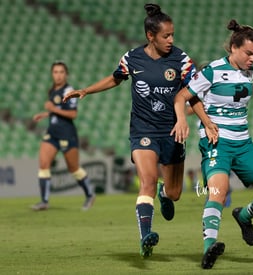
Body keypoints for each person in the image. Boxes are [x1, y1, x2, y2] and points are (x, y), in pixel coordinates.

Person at [62, 4, 196, 258]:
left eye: (172, 35)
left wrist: (193, 119)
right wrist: (86, 90)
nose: (171, 40)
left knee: (175, 193)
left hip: (172, 132)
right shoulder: (132, 58)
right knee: (146, 181)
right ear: (150, 36)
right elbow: (116, 77)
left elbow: (194, 93)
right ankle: (146, 235)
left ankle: (164, 193)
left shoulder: (181, 59)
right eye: (166, 36)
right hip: (143, 130)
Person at [172, 19, 253, 269]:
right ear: (233, 47)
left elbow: (216, 103)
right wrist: (189, 120)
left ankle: (244, 216)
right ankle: (208, 247)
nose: (252, 59)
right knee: (218, 192)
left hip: (244, 143)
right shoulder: (212, 70)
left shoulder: (249, 73)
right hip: (217, 143)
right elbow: (183, 97)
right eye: (248, 53)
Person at [31, 61, 95, 211]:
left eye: (61, 72)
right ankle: (44, 201)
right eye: (55, 72)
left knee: (73, 168)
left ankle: (90, 195)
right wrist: (46, 113)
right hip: (52, 132)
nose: (58, 75)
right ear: (52, 74)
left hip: (67, 134)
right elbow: (59, 109)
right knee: (43, 164)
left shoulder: (69, 90)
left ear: (66, 74)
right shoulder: (52, 90)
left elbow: (73, 114)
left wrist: (52, 108)